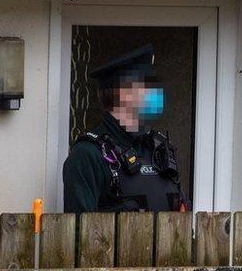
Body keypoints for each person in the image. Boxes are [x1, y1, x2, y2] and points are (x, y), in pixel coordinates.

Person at [63, 44, 189, 213]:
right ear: (123, 93)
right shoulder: (88, 155)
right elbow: (77, 233)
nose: (156, 92)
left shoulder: (160, 150)